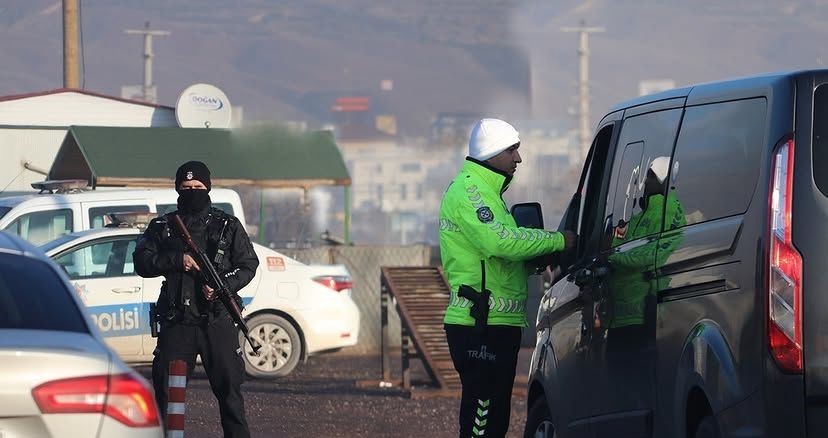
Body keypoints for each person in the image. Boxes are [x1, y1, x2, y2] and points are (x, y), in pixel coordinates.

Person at [439, 118, 575, 437]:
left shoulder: (488, 193)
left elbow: (496, 259)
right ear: (492, 152)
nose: (518, 158)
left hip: (497, 324)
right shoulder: (470, 192)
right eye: (512, 150)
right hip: (479, 324)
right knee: (482, 418)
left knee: (495, 418)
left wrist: (531, 264)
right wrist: (559, 240)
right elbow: (501, 241)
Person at [133, 161, 258, 438]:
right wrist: (179, 260)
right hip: (178, 324)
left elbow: (249, 264)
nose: (192, 191)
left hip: (218, 322)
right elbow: (142, 261)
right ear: (178, 189)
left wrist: (223, 285)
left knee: (231, 397)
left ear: (208, 188)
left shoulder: (227, 226)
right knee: (167, 398)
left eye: (198, 187)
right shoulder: (163, 226)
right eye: (186, 187)